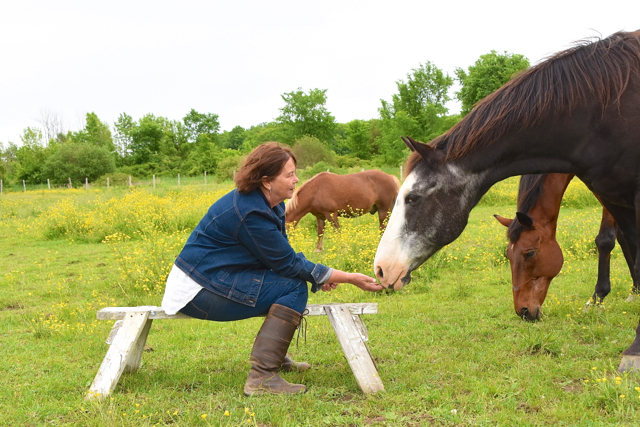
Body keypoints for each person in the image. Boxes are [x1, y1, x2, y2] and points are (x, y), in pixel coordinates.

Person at [161, 141, 383, 396]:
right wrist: (345, 277)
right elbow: (287, 264)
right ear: (267, 181)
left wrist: (320, 277)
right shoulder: (251, 211)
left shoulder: (270, 203)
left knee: (288, 282)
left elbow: (280, 257)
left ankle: (274, 359)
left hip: (213, 278)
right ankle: (262, 377)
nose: (296, 179)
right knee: (292, 288)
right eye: (289, 175)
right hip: (197, 290)